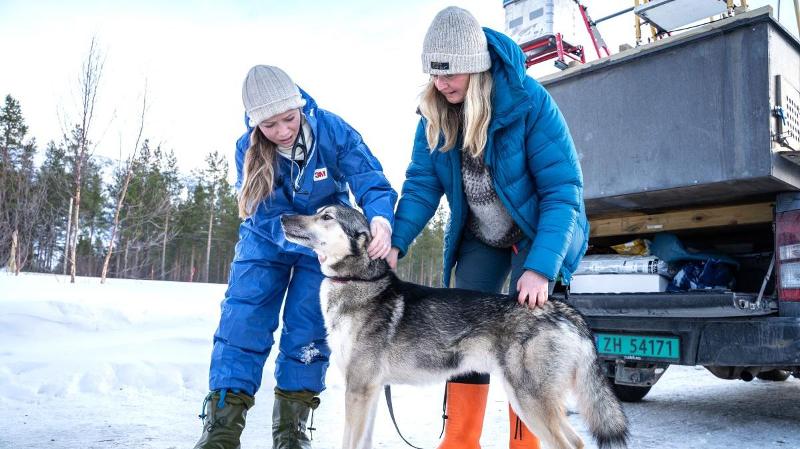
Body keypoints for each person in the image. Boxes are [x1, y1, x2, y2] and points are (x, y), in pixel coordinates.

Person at [386, 7, 589, 449]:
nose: (441, 84)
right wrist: (397, 241)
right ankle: (459, 439)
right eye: (434, 75)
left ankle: (528, 442)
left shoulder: (528, 102)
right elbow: (421, 185)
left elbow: (563, 191)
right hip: (484, 236)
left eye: (451, 74)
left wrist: (541, 267)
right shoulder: (435, 113)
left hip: (538, 235)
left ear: (476, 65)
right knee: (465, 331)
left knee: (526, 335)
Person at [194, 65, 397, 449]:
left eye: (289, 118)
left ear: (300, 107)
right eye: (270, 126)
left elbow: (370, 179)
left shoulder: (332, 130)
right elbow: (263, 212)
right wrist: (295, 238)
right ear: (256, 126)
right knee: (244, 320)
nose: (283, 131)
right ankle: (221, 429)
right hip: (264, 242)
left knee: (307, 328)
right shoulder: (247, 149)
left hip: (321, 245)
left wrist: (381, 219)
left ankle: (292, 430)